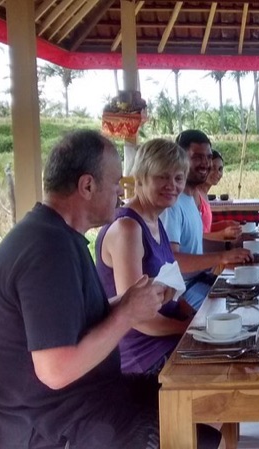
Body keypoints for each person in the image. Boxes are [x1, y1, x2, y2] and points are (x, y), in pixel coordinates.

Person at [0, 130, 221, 448]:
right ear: (87, 186)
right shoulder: (47, 250)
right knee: (195, 426)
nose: (120, 193)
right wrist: (128, 313)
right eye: (116, 182)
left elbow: (76, 317)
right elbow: (55, 370)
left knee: (201, 401)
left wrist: (128, 301)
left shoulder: (56, 236)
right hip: (56, 423)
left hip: (92, 396)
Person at [96, 138, 193, 375]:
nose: (172, 185)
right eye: (162, 176)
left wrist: (194, 315)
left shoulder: (155, 221)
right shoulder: (128, 228)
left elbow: (170, 287)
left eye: (178, 178)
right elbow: (137, 316)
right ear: (141, 177)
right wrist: (188, 329)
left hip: (167, 343)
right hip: (146, 359)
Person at [162, 129, 251, 310]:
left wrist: (231, 247)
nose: (206, 164)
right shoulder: (173, 203)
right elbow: (173, 260)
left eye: (208, 157)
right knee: (235, 309)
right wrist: (222, 256)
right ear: (180, 157)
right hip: (181, 290)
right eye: (197, 157)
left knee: (251, 293)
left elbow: (194, 239)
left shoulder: (193, 196)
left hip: (202, 278)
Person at [196, 148, 241, 239]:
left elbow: (204, 229)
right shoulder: (195, 196)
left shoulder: (203, 194)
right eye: (213, 168)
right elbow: (194, 236)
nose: (217, 173)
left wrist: (224, 224)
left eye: (220, 169)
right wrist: (223, 234)